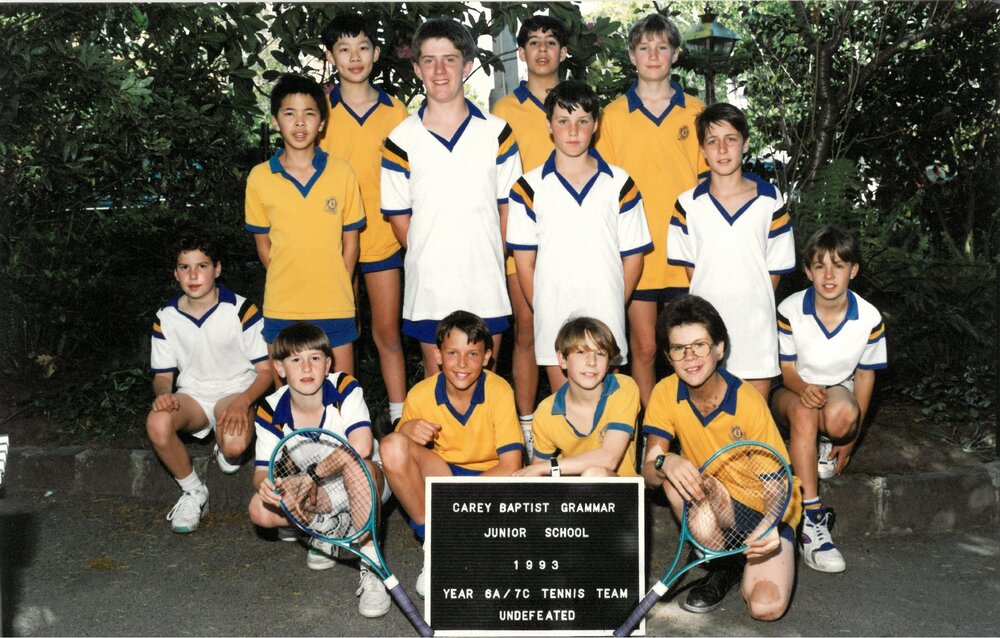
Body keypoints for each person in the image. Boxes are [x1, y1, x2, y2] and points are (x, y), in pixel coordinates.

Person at [641, 295, 801, 619]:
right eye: (679, 348)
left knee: (765, 607)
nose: (690, 357)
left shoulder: (748, 402)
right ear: (669, 356)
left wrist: (769, 526)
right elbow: (649, 471)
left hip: (768, 509)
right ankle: (722, 564)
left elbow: (778, 485)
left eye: (699, 345)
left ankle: (746, 560)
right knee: (672, 482)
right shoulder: (664, 393)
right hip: (717, 498)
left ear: (719, 349)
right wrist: (665, 461)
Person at [381, 18, 522, 378]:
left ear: (467, 65)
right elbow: (400, 220)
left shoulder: (497, 133)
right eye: (429, 60)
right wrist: (433, 255)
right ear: (417, 69)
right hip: (430, 287)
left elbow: (508, 208)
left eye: (450, 59)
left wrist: (487, 253)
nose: (440, 70)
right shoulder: (400, 140)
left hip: (485, 282)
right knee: (437, 391)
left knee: (487, 388)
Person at [507, 80, 650, 391]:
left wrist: (613, 301)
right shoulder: (527, 188)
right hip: (554, 316)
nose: (573, 131)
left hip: (606, 315)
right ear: (549, 125)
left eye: (582, 121)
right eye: (563, 121)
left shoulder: (620, 184)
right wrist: (544, 309)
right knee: (565, 408)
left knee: (607, 408)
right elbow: (524, 264)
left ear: (595, 125)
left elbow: (633, 258)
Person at [595, 12, 708, 408]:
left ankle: (690, 426)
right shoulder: (611, 116)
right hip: (636, 253)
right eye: (644, 48)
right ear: (632, 55)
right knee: (643, 348)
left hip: (684, 252)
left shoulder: (695, 111)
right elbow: (604, 191)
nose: (654, 55)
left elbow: (708, 184)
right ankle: (649, 430)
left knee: (688, 349)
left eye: (662, 47)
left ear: (675, 54)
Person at [248, 322, 392, 619]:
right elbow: (262, 471)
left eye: (314, 358)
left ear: (327, 364)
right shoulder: (269, 410)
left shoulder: (344, 387)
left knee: (359, 467)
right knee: (259, 509)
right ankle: (324, 529)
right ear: (280, 368)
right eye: (295, 359)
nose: (306, 367)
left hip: (368, 482)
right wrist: (267, 485)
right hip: (322, 492)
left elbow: (361, 447)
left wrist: (310, 476)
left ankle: (371, 566)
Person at [380, 310, 524, 596]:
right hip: (442, 476)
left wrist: (457, 502)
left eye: (472, 354)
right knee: (391, 445)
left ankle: (462, 539)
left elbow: (510, 466)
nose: (462, 363)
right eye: (452, 353)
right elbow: (400, 457)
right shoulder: (420, 394)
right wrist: (405, 430)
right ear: (437, 355)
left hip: (487, 480)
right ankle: (435, 543)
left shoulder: (499, 391)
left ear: (487, 357)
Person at [770, 225, 887, 573]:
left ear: (854, 270)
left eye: (839, 265)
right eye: (820, 266)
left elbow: (864, 377)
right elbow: (786, 369)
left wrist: (851, 439)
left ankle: (820, 442)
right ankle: (812, 518)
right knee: (805, 412)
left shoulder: (869, 317)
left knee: (842, 417)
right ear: (808, 271)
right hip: (790, 390)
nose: (829, 275)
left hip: (836, 388)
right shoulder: (790, 308)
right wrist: (802, 387)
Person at [667, 102, 795, 399]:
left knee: (754, 416)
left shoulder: (770, 200)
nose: (722, 149)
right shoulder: (687, 204)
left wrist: (752, 306)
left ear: (745, 144)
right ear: (702, 150)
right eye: (713, 141)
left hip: (755, 328)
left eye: (731, 139)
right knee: (709, 413)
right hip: (705, 330)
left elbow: (774, 270)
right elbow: (692, 271)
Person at [319, 14, 410, 427]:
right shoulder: (321, 111)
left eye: (362, 48)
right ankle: (346, 419)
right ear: (330, 56)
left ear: (376, 53)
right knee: (343, 334)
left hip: (384, 237)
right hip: (335, 241)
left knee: (387, 332)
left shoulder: (396, 111)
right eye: (344, 49)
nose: (354, 58)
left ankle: (399, 416)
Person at [245, 73, 366, 381]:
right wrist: (290, 277)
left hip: (335, 305)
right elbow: (263, 246)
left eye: (309, 113)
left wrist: (337, 284)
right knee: (286, 399)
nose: (300, 123)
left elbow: (351, 243)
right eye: (290, 113)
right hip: (282, 305)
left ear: (322, 122)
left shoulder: (342, 173)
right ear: (275, 121)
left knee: (342, 395)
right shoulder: (260, 178)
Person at [146, 235, 271, 534]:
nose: (193, 275)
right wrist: (163, 395)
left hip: (235, 392)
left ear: (217, 269)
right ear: (175, 273)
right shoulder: (166, 317)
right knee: (157, 422)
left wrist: (243, 402)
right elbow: (163, 377)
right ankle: (193, 492)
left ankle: (225, 447)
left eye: (201, 266)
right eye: (184, 267)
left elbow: (266, 371)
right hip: (193, 397)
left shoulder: (242, 309)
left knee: (234, 445)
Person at [491, 13, 569, 460]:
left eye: (550, 41)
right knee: (526, 329)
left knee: (572, 333)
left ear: (563, 52)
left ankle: (571, 424)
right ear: (521, 53)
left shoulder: (577, 104)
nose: (542, 49)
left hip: (570, 237)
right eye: (534, 42)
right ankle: (526, 428)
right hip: (521, 237)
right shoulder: (504, 110)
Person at [513, 317, 640, 478]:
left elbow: (609, 458)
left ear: (608, 363)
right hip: (574, 492)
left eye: (600, 354)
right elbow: (537, 471)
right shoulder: (546, 411)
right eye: (581, 352)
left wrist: (549, 466)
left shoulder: (623, 388)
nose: (592, 362)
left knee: (595, 474)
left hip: (620, 489)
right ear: (562, 359)